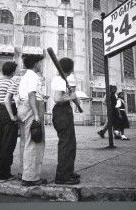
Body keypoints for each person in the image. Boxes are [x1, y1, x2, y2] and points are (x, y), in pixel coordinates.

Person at [17, 54, 47, 187]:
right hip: (32, 108)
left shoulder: (25, 76)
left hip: (24, 107)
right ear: (35, 64)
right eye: (40, 63)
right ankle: (30, 178)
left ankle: (24, 172)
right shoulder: (33, 76)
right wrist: (36, 115)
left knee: (25, 141)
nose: (41, 65)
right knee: (35, 142)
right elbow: (31, 94)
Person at [51, 57, 80, 185]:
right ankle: (62, 176)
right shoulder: (60, 80)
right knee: (66, 145)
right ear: (70, 69)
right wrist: (71, 97)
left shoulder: (60, 79)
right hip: (62, 112)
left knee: (70, 144)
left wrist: (70, 96)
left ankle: (68, 172)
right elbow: (57, 98)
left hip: (62, 112)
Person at [0, 61, 19, 180]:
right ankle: (4, 173)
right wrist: (12, 116)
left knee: (2, 141)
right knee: (9, 143)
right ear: (13, 72)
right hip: (8, 111)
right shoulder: (11, 82)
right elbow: (8, 100)